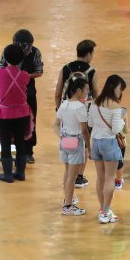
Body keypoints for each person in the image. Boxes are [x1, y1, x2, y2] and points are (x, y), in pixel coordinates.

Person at [54, 39, 98, 189]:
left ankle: (69, 174)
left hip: (67, 109)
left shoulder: (65, 68)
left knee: (68, 138)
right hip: (84, 110)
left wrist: (59, 108)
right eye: (92, 53)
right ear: (88, 54)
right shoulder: (91, 71)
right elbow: (96, 95)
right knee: (84, 143)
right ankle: (79, 176)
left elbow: (58, 92)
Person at [0, 29, 43, 164]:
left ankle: (28, 152)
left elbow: (39, 71)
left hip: (28, 92)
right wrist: (14, 78)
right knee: (12, 123)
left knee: (31, 121)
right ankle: (13, 151)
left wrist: (23, 77)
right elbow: (0, 66)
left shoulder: (35, 52)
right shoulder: (8, 51)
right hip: (11, 94)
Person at [87, 75, 127, 224]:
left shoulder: (94, 103)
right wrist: (123, 118)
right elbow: (117, 129)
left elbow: (90, 123)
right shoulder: (116, 108)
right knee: (110, 179)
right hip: (109, 143)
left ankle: (103, 209)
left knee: (100, 178)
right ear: (114, 87)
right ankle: (105, 212)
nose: (120, 92)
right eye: (120, 89)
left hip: (96, 142)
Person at [0, 44, 31, 182]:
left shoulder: (0, 72)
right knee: (21, 142)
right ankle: (20, 173)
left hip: (5, 114)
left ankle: (7, 174)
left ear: (5, 57)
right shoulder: (25, 75)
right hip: (22, 113)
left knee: (5, 143)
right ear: (21, 59)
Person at [54, 76, 91, 215]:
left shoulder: (64, 104)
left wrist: (63, 136)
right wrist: (89, 147)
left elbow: (56, 125)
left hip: (65, 141)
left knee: (67, 172)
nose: (88, 92)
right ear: (79, 91)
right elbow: (84, 130)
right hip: (76, 142)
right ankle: (68, 207)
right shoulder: (80, 107)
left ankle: (67, 199)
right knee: (72, 176)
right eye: (86, 90)